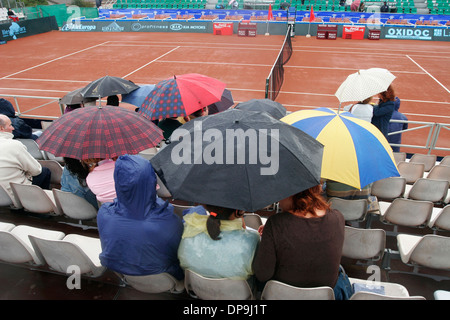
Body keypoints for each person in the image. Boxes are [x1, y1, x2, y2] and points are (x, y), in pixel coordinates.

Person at [252, 185, 353, 300]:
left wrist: (270, 236)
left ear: (292, 193)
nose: (278, 200)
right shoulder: (337, 218)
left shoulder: (275, 224)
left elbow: (262, 274)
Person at [97, 154, 184, 280]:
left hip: (123, 275)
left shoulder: (103, 213)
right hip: (164, 279)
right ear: (152, 181)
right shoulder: (169, 223)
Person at [177, 204, 260, 283]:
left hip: (197, 289)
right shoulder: (252, 240)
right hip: (235, 293)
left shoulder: (189, 230)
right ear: (238, 211)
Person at [0, 114, 51, 208]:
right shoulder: (14, 145)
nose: (13, 128)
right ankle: (40, 206)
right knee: (45, 172)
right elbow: (36, 170)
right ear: (1, 128)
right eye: (10, 125)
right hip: (16, 193)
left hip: (3, 195)